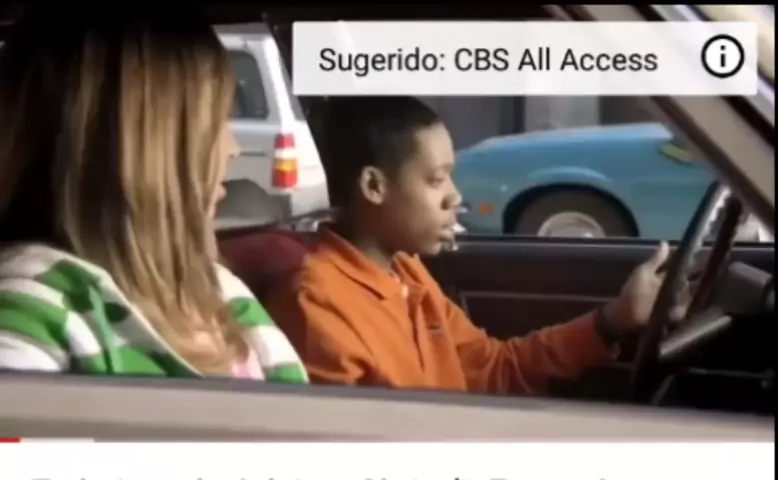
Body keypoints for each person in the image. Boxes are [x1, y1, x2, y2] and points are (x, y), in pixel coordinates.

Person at [263, 96, 680, 394]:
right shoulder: (317, 306)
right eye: (435, 180)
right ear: (374, 186)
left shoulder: (405, 271)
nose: (455, 196)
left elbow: (493, 367)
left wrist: (614, 320)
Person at [0, 6, 307, 383]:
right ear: (141, 147)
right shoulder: (30, 314)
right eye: (216, 122)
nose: (233, 148)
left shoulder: (219, 292)